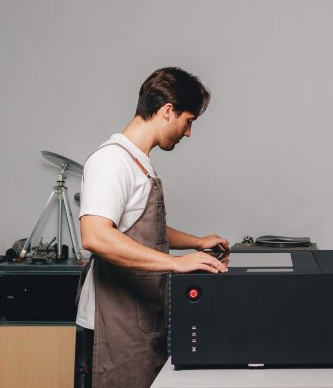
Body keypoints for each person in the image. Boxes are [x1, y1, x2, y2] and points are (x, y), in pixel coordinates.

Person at [75, 67, 230, 388]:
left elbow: (143, 226)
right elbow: (96, 236)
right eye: (188, 121)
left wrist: (196, 242)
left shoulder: (138, 162)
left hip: (140, 318)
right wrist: (176, 263)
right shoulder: (112, 162)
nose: (188, 132)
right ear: (167, 111)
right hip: (113, 324)